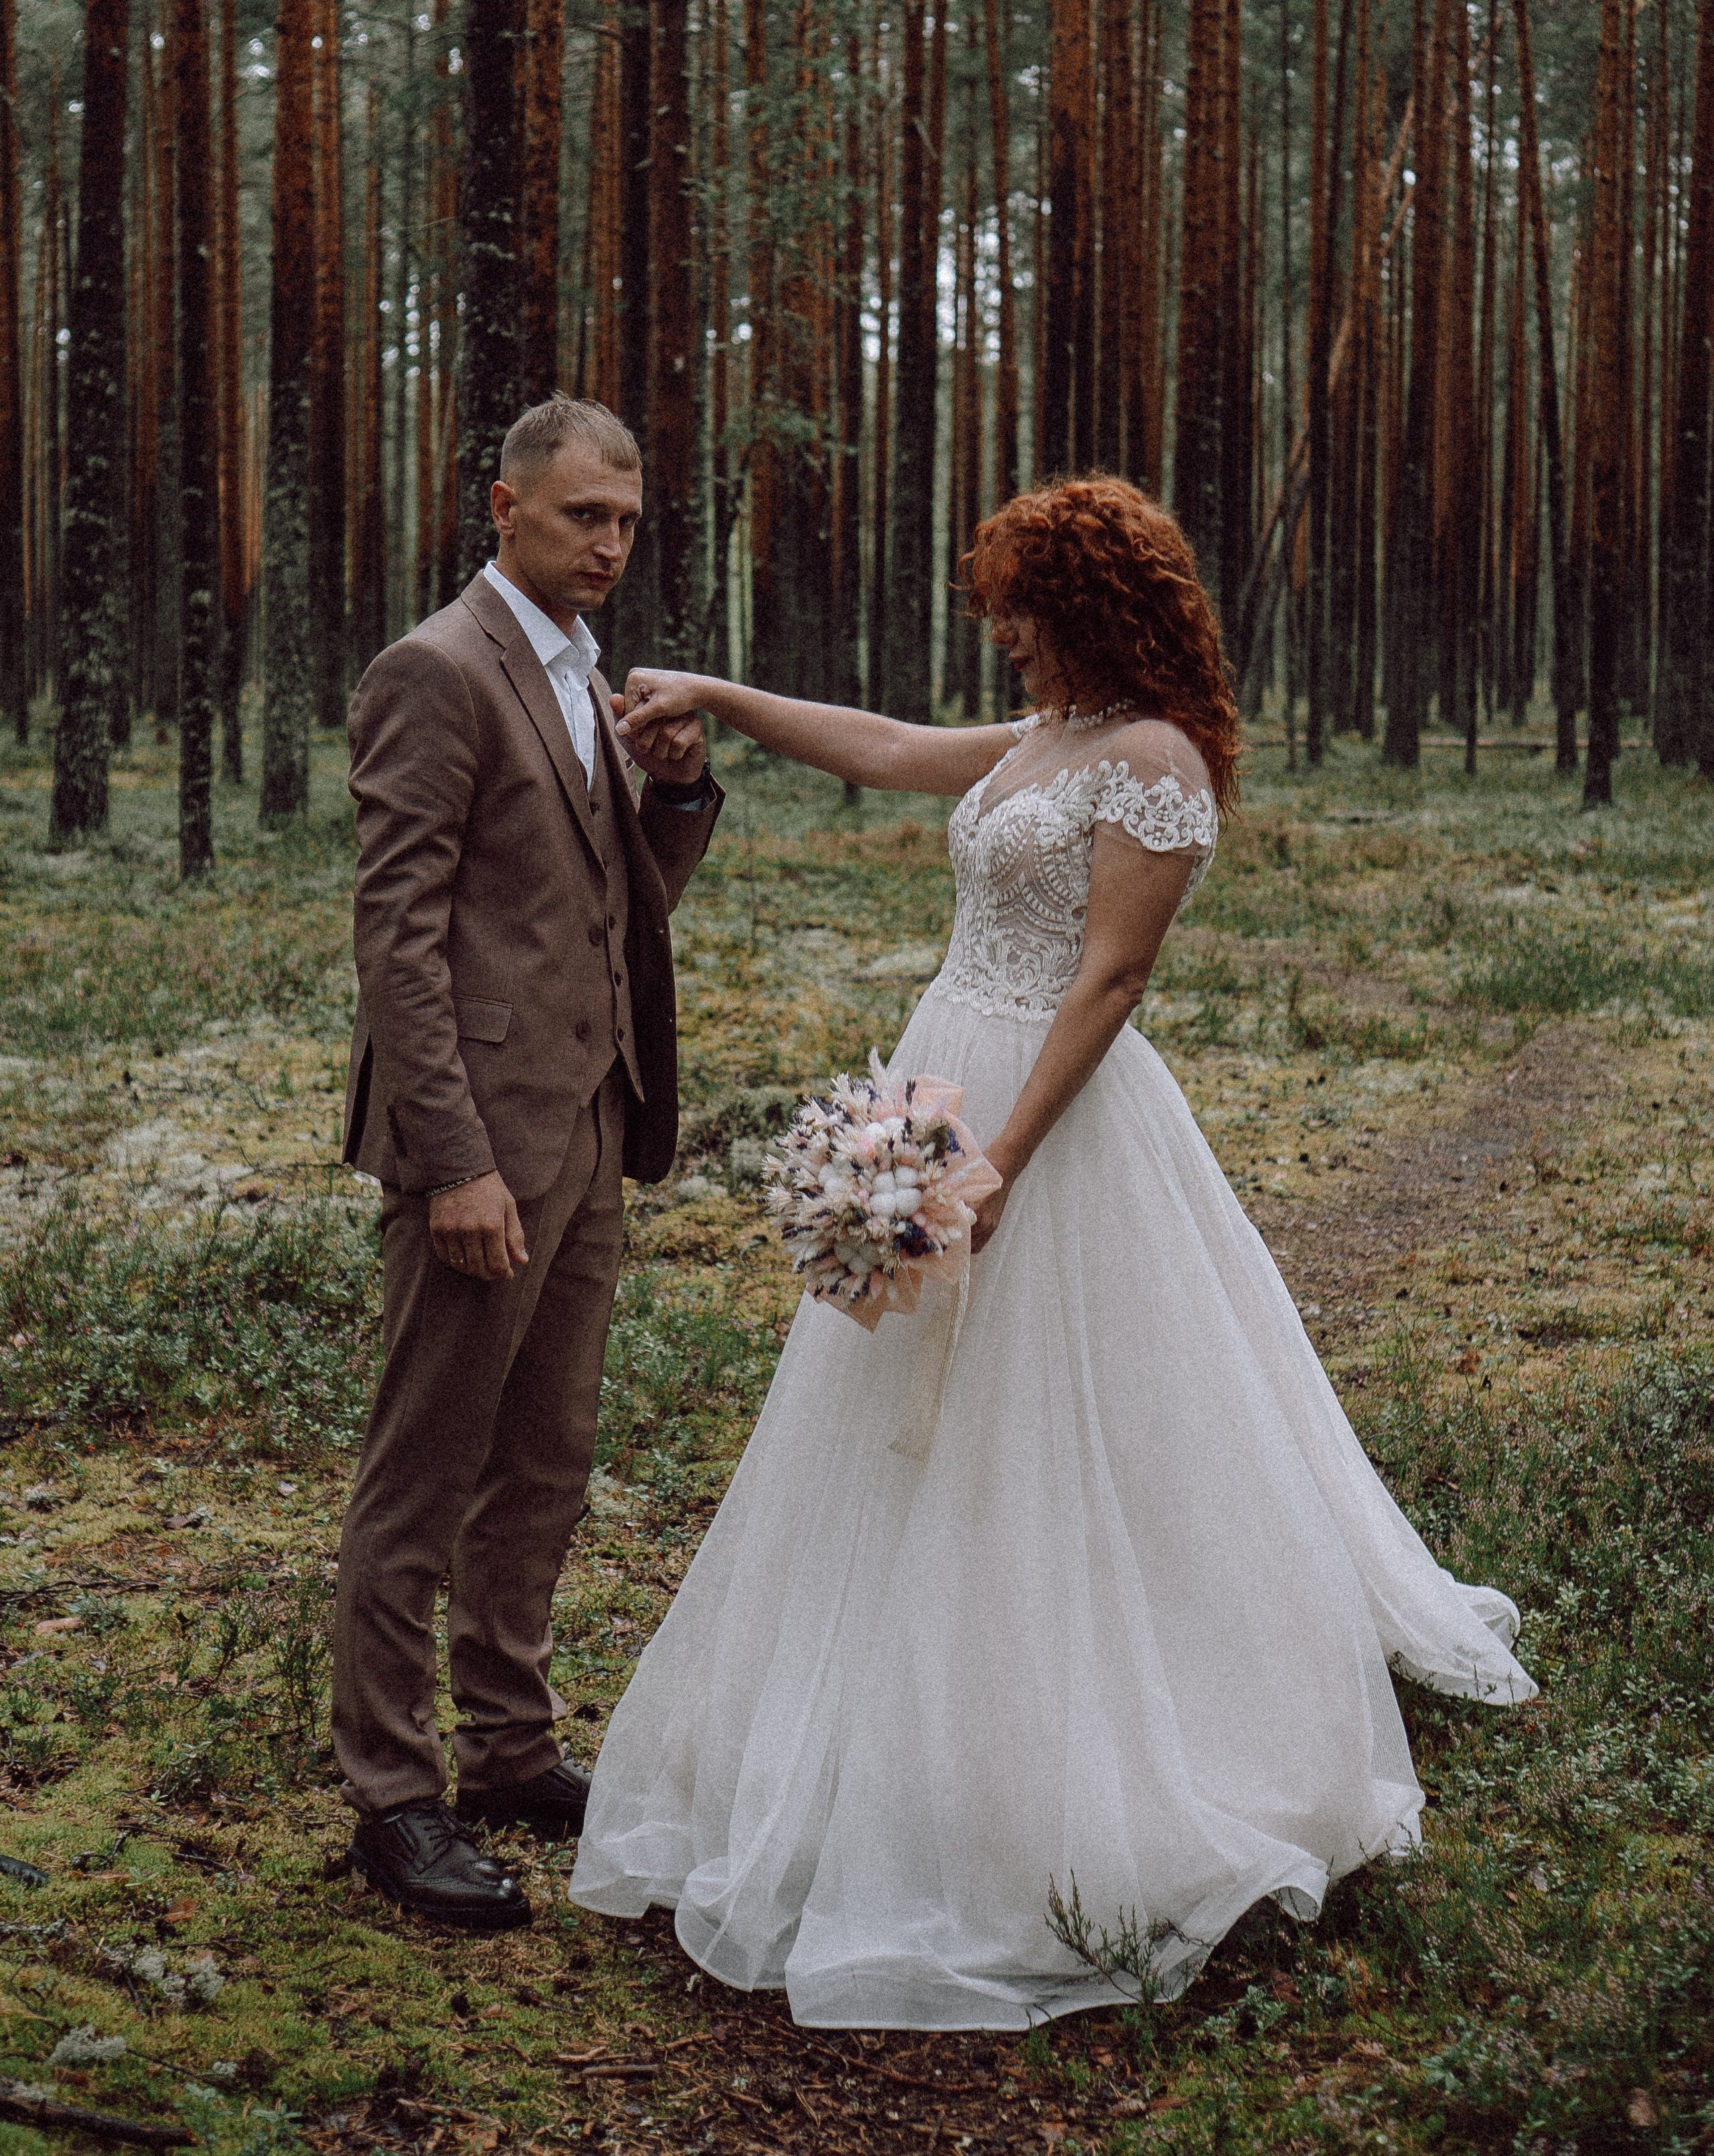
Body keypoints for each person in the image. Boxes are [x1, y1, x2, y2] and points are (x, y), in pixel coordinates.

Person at [571, 475, 1535, 2027]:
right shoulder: (1044, 743)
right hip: (938, 1072)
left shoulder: (1150, 762)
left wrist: (1001, 1157)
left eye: (1020, 605)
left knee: (1068, 1422)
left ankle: (1089, 1741)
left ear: (1086, 606)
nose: (1002, 633)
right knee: (888, 1411)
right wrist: (723, 700)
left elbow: (1112, 977)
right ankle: (884, 1725)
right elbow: (887, 750)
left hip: (1046, 1116)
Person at [333, 394, 720, 1934]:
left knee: (546, 1467)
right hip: (482, 1148)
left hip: (592, 1127)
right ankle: (392, 1797)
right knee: (421, 1471)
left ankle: (506, 1747)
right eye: (581, 518)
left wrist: (678, 789)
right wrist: (453, 1164)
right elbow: (400, 941)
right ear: (502, 508)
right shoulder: (435, 672)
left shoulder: (583, 678)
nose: (610, 544)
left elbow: (619, 905)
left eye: (626, 520)